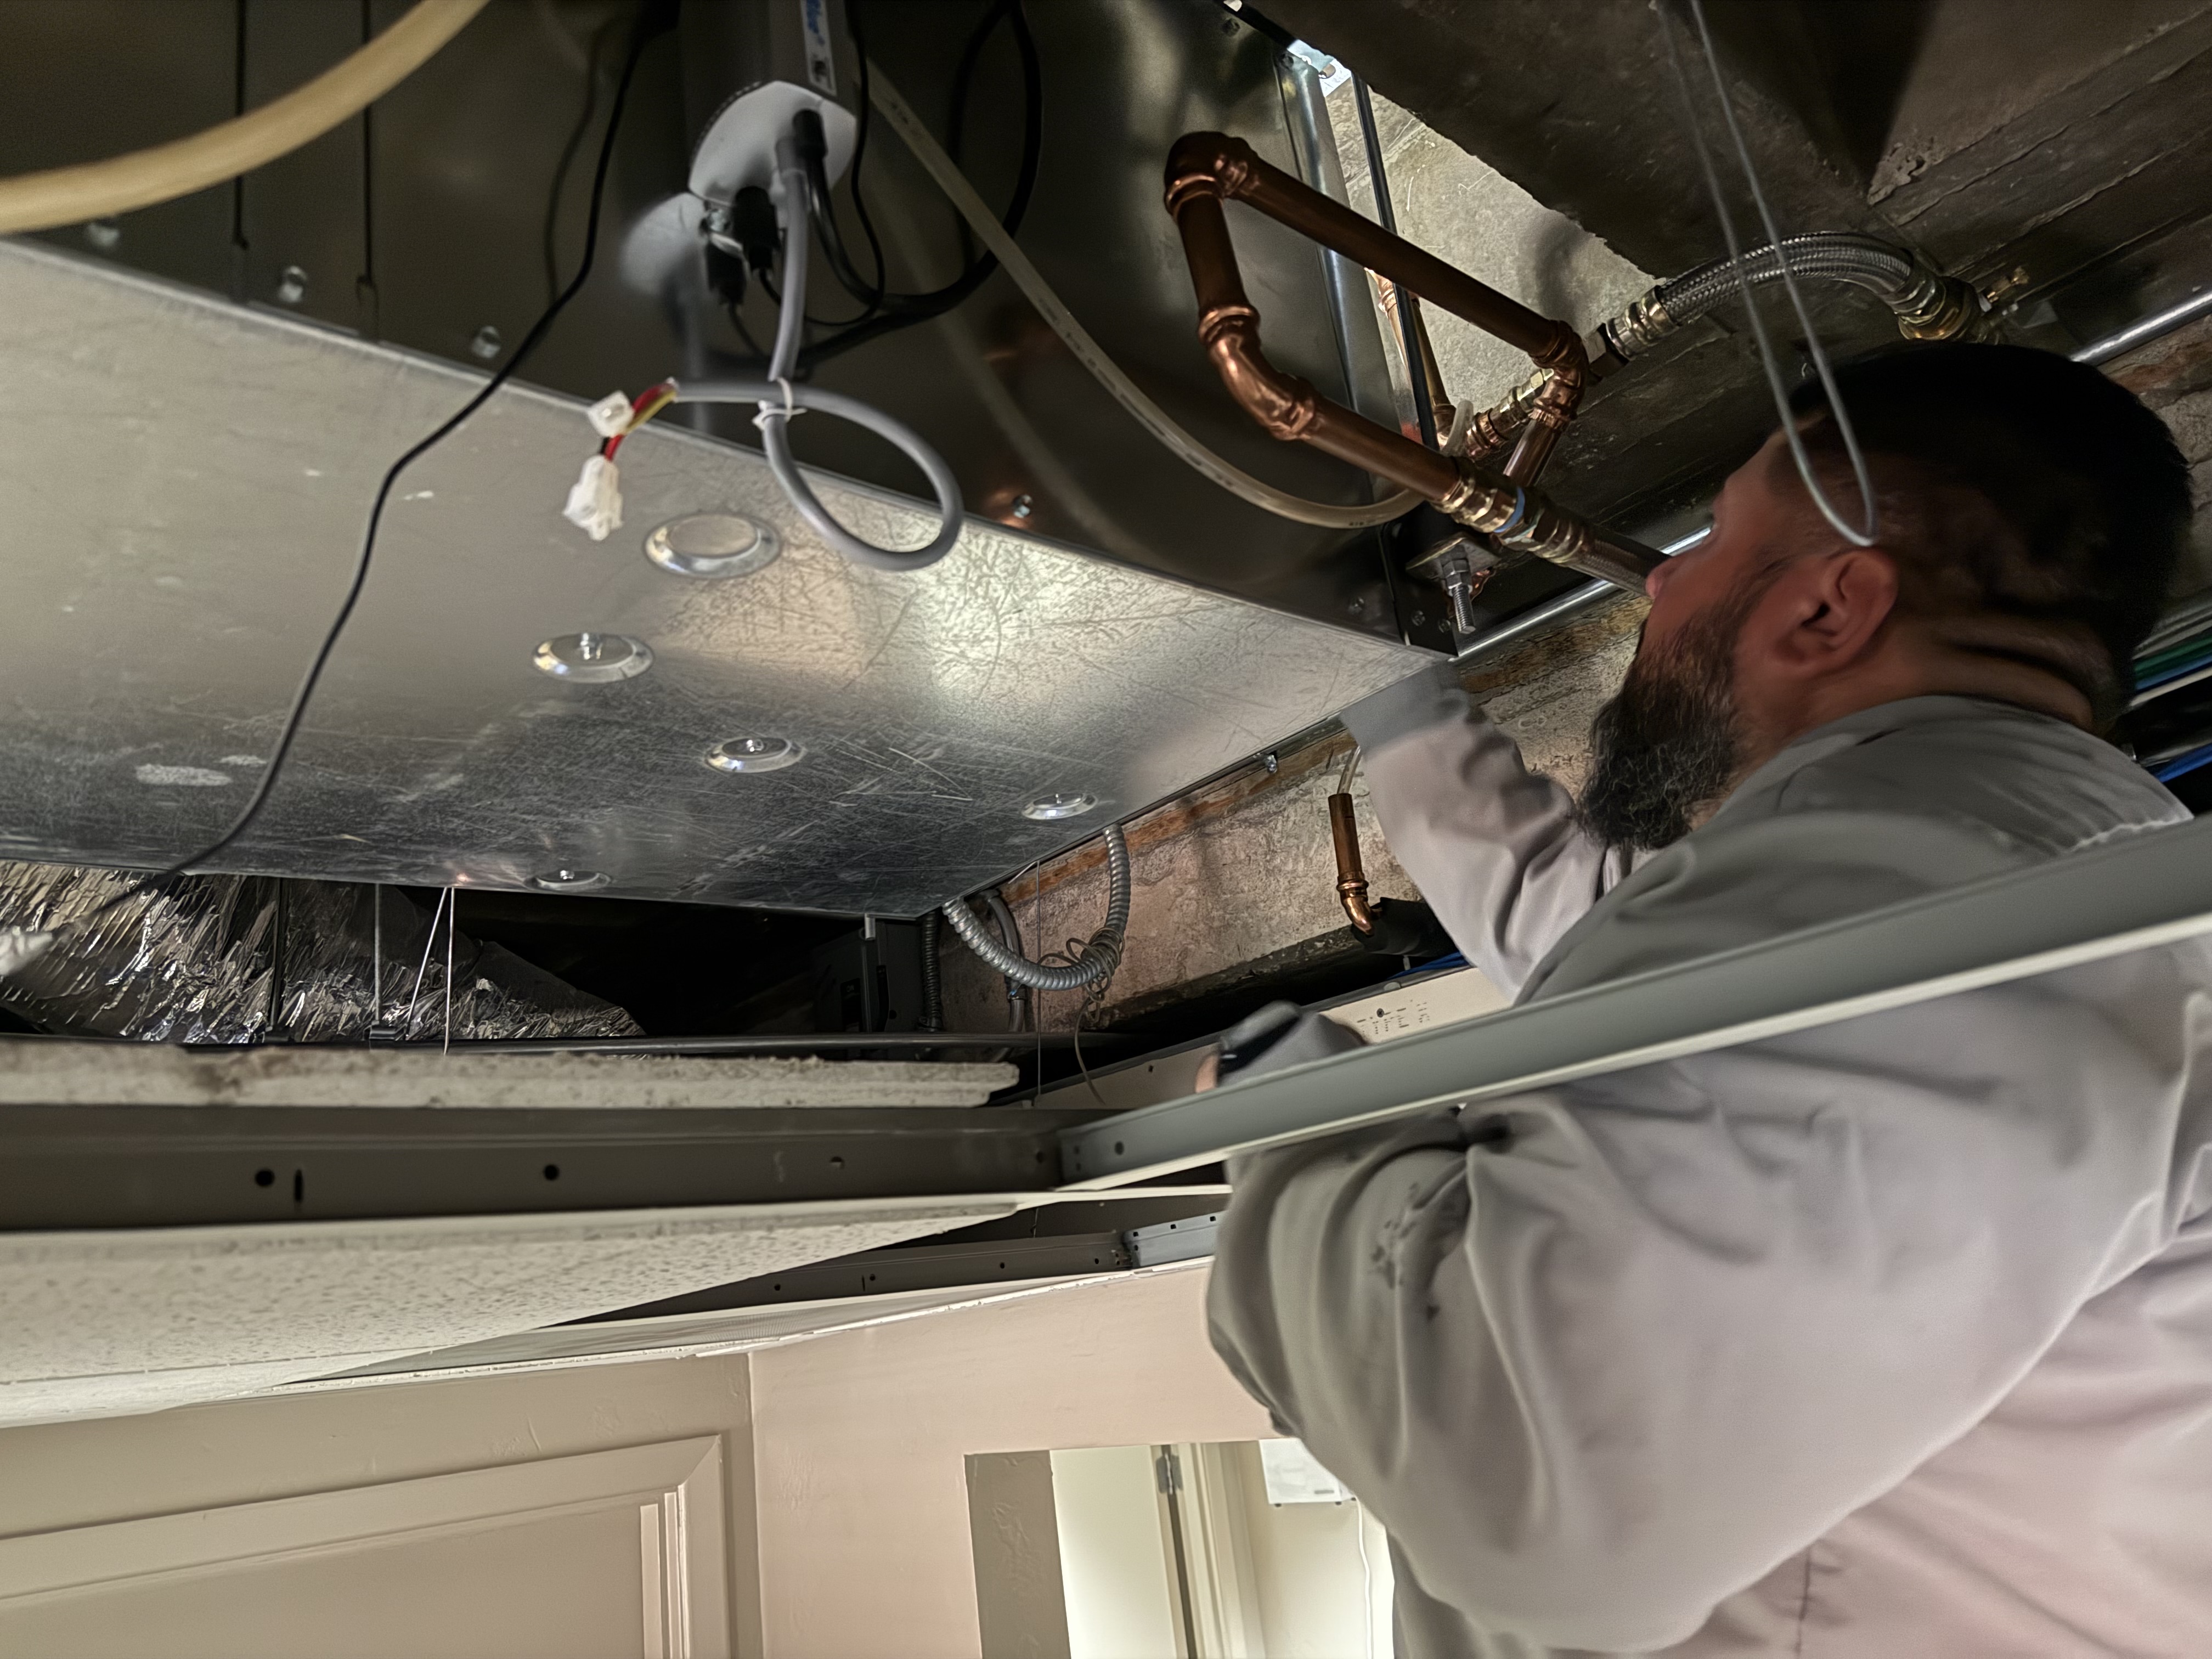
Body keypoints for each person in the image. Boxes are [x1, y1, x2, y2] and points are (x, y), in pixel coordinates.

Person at [1205, 343, 2212, 1656]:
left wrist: (1288, 1108)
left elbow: (1529, 1464)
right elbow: (1595, 961)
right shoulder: (2005, 870)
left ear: (1828, 609)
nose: (1662, 577)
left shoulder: (1932, 891)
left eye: (1715, 536)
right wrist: (1391, 701)